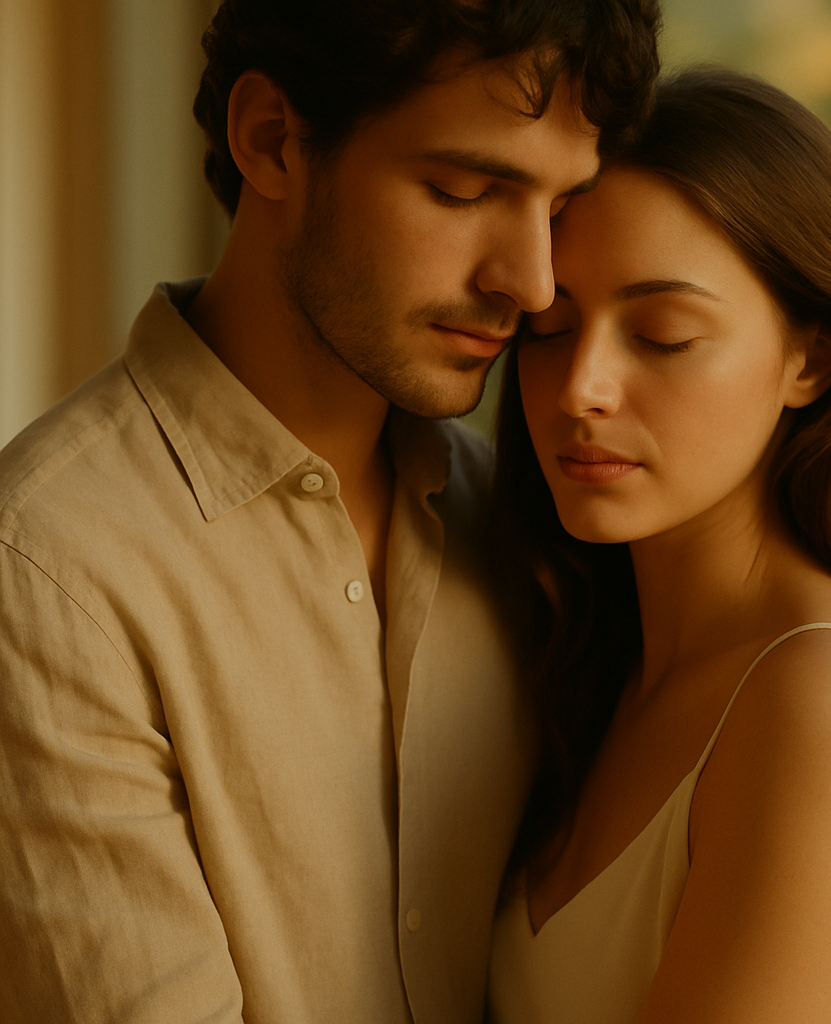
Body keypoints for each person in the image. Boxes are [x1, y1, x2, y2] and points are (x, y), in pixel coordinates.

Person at [0, 2, 661, 1021]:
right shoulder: (48, 565)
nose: (529, 283)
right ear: (273, 140)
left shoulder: (522, 523)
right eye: (464, 189)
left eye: (560, 205)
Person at [488, 67, 831, 1023]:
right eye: (550, 329)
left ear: (811, 359)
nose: (581, 390)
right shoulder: (584, 669)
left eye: (664, 335)